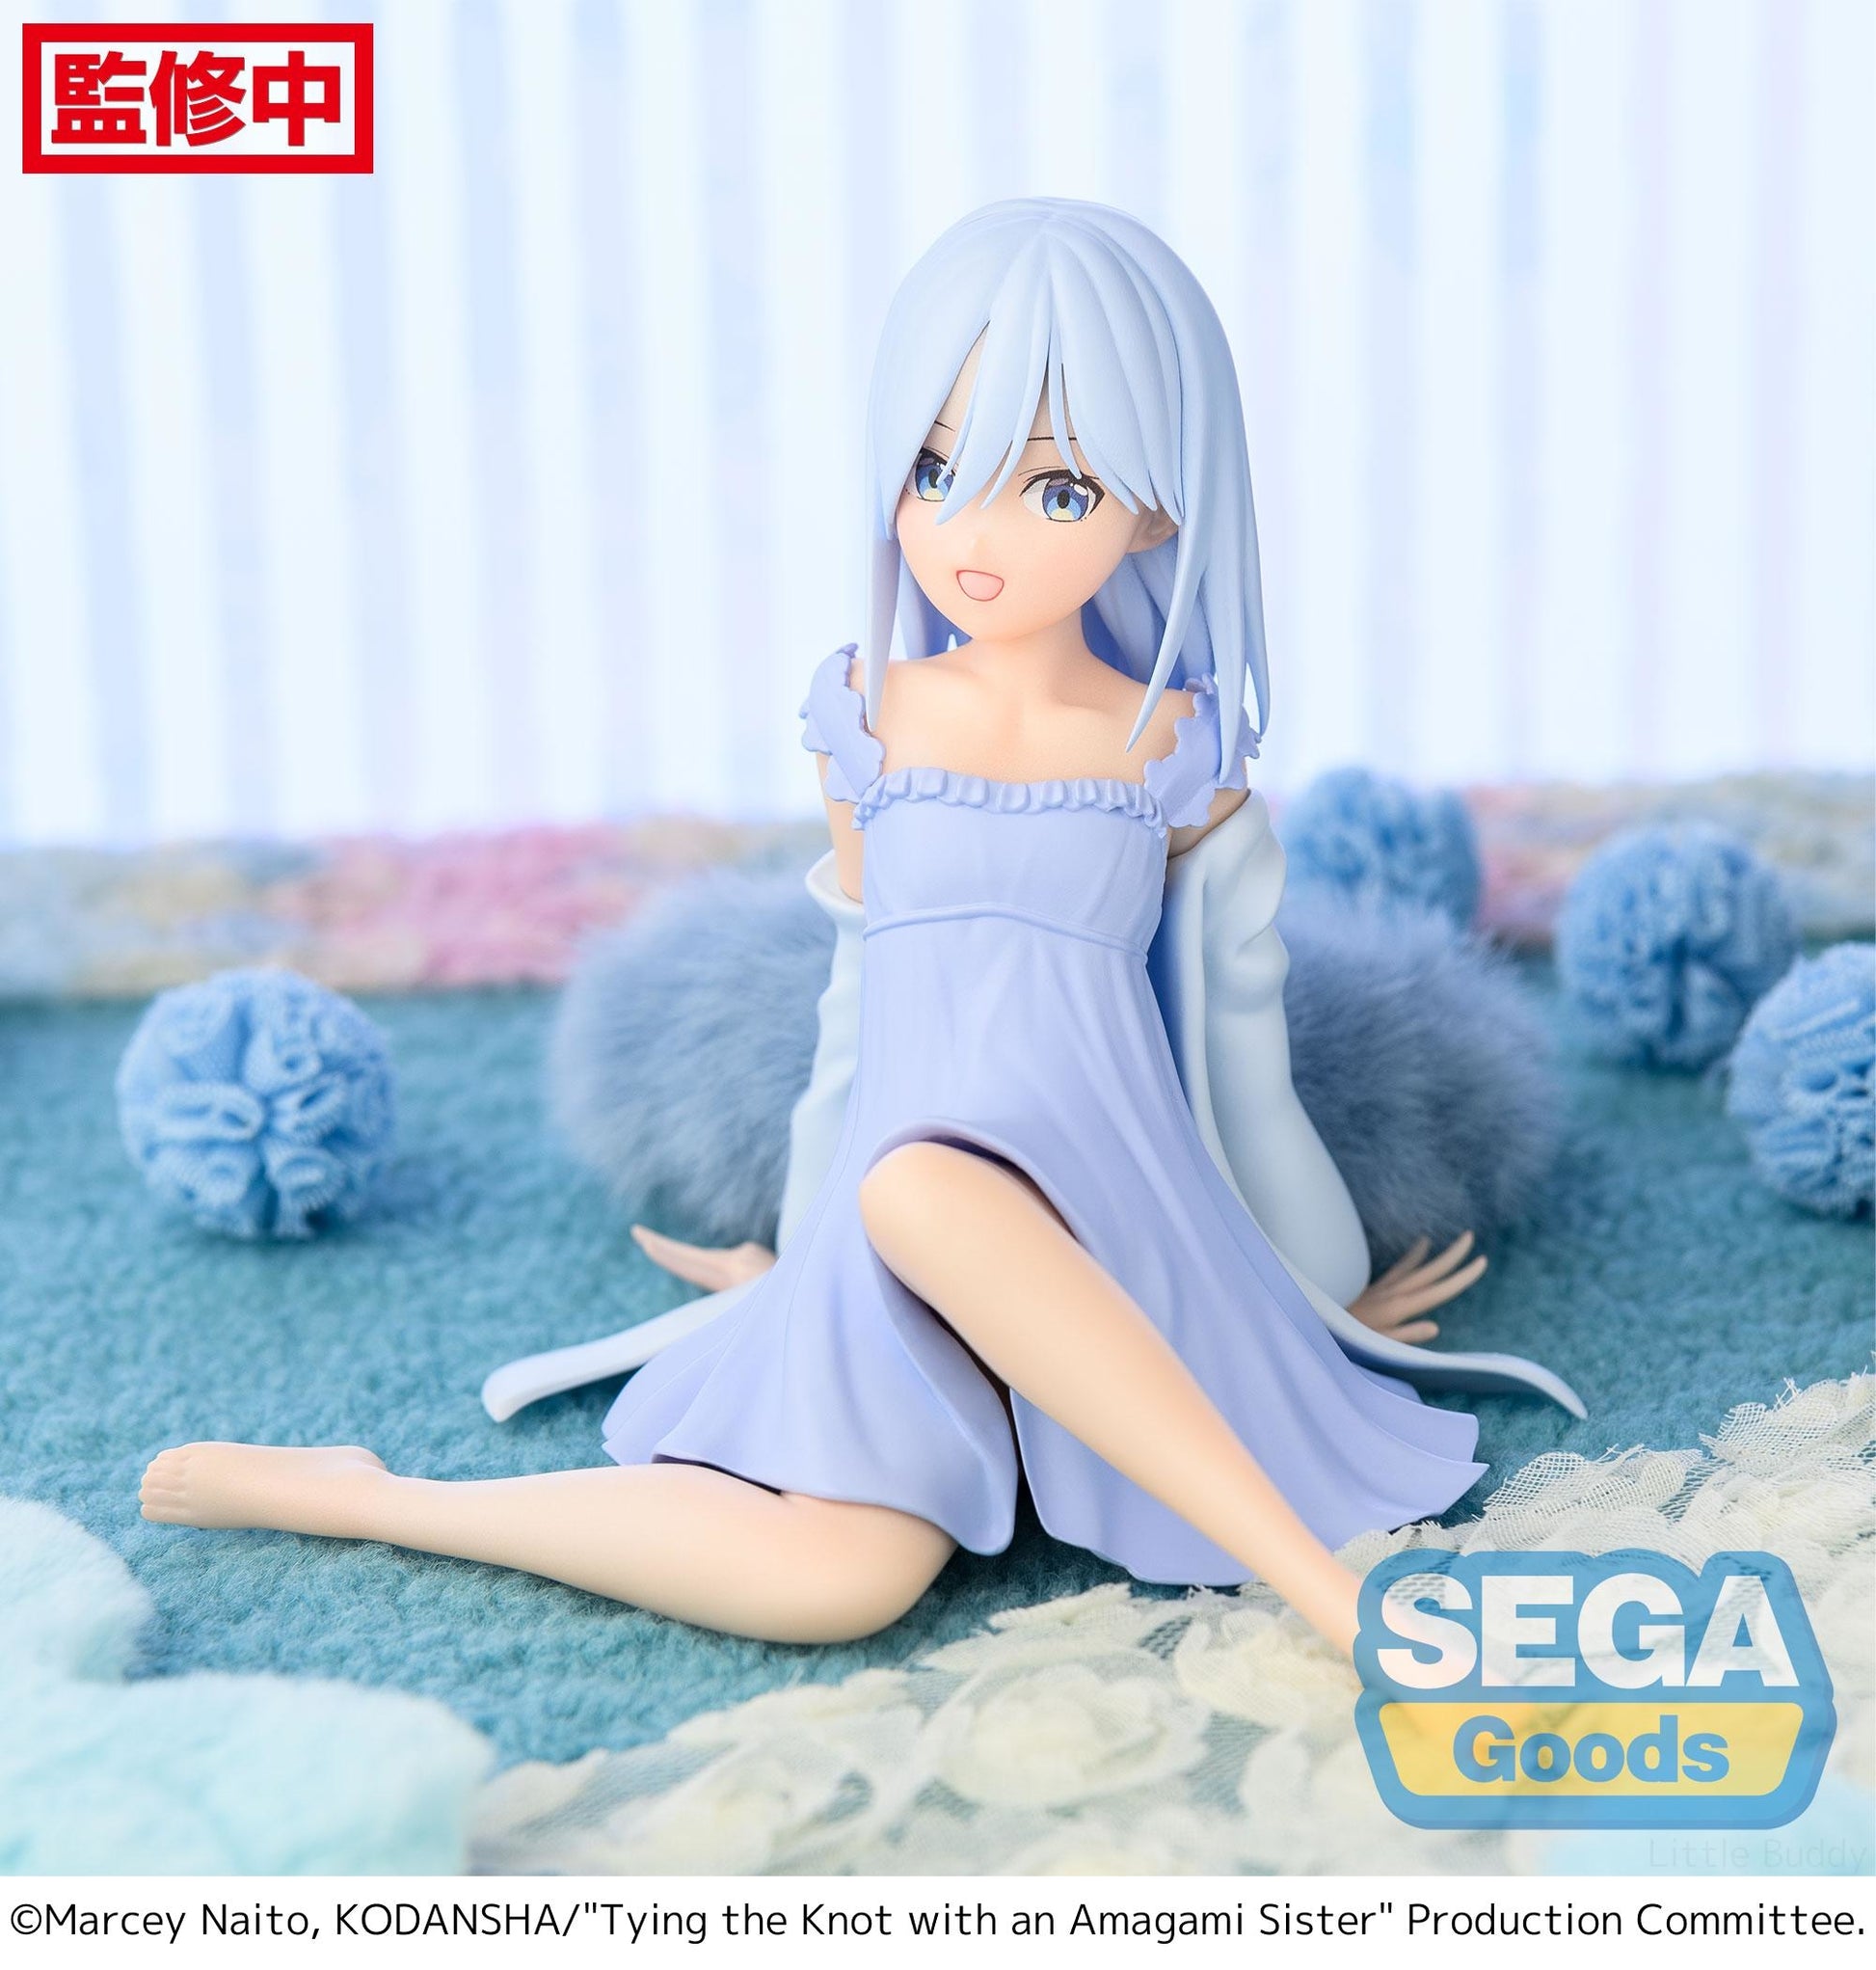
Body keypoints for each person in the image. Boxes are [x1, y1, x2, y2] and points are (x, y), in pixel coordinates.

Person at [142, 200, 1573, 1655]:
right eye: (937, 471)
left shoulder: (1172, 746)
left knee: (924, 1217)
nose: (972, 537)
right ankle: (382, 1499)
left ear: (1157, 509)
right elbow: (857, 994)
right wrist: (791, 1236)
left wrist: (1309, 1291)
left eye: (1056, 490)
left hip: (1117, 1214)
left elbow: (1229, 1030)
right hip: (900, 1212)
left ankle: (1322, 1590)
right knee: (839, 1566)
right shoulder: (869, 717)